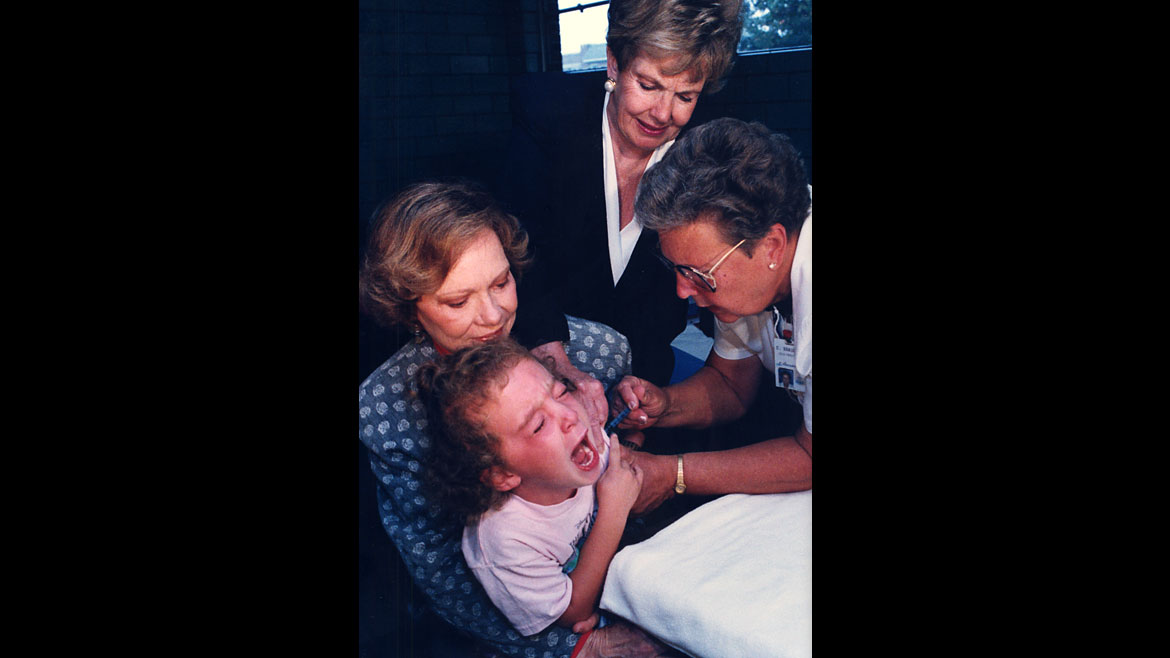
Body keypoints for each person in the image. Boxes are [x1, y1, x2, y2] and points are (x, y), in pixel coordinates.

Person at [358, 180, 669, 657]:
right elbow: (443, 572)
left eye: (501, 283)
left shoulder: (598, 353)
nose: (494, 316)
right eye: (457, 302)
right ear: (409, 309)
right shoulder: (387, 410)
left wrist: (637, 419)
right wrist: (578, 647)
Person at [497, 0, 745, 389]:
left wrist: (639, 408)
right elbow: (515, 250)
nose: (663, 114)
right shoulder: (547, 117)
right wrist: (552, 359)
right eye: (648, 86)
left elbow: (664, 311)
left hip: (641, 370)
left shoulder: (705, 153)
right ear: (614, 64)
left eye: (685, 97)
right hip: (535, 354)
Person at [609, 117, 813, 515]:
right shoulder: (744, 270)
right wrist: (665, 406)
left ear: (772, 245)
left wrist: (674, 475)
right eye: (676, 269)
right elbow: (731, 385)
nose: (683, 291)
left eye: (696, 274)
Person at [416, 337, 644, 641]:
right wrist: (615, 510)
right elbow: (572, 613)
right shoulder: (504, 539)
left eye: (561, 392)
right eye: (538, 424)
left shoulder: (580, 439)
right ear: (502, 474)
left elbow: (622, 460)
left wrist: (634, 431)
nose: (570, 415)